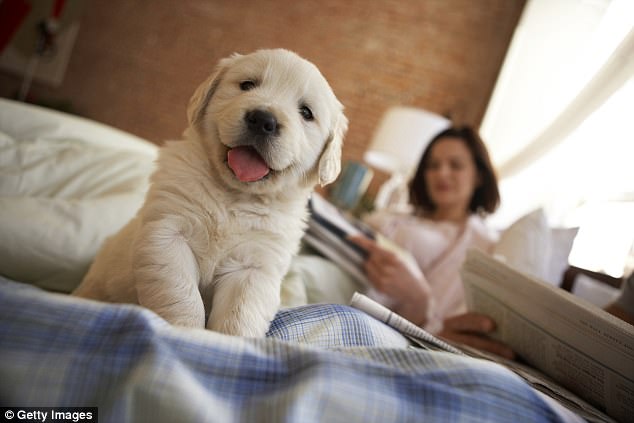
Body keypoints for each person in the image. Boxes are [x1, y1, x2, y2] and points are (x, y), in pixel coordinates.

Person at [350, 125, 515, 359]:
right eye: (433, 165)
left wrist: (418, 298)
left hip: (380, 328)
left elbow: (444, 327)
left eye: (455, 165)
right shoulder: (399, 215)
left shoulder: (482, 245)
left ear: (478, 175)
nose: (441, 173)